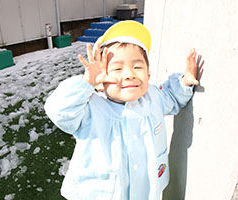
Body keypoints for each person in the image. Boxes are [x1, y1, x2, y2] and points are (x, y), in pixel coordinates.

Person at [44, 20, 199, 200]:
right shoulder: (90, 109)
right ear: (100, 83)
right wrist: (86, 83)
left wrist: (185, 82)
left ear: (148, 75)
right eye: (117, 68)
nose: (129, 74)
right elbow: (58, 110)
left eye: (137, 67)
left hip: (145, 192)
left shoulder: (154, 98)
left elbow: (172, 97)